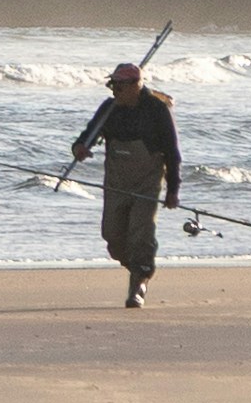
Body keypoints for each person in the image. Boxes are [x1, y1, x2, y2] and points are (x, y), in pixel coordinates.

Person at [69, 59, 181, 308]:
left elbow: (173, 153)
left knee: (141, 232)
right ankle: (138, 267)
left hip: (147, 183)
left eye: (119, 87)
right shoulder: (109, 108)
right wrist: (79, 148)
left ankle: (139, 282)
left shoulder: (156, 110)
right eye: (112, 86)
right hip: (116, 182)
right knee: (113, 236)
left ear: (135, 85)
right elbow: (87, 135)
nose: (114, 91)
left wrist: (173, 190)